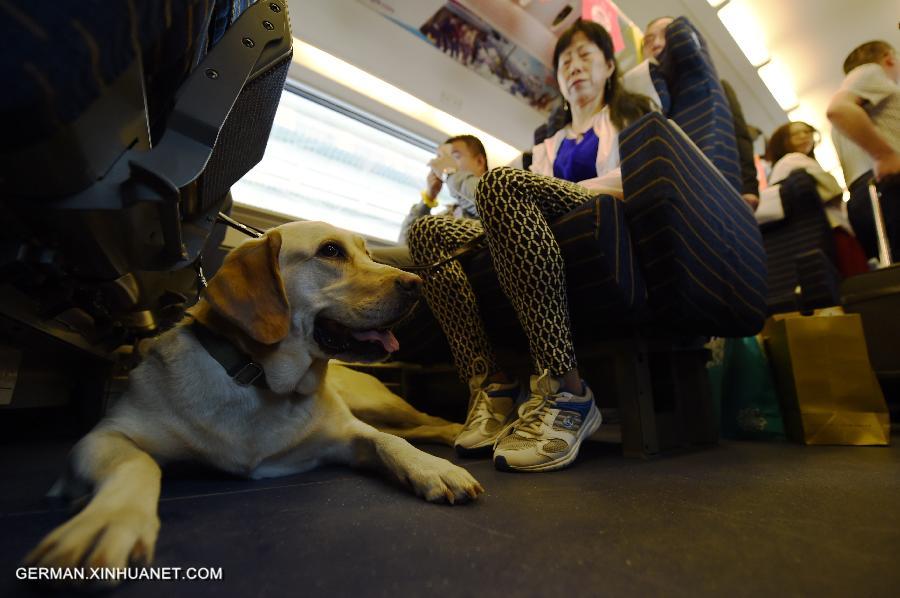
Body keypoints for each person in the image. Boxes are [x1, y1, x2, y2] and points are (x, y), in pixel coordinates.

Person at [406, 19, 654, 472]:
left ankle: (569, 391)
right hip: (539, 220)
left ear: (610, 67)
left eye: (585, 56)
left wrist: (544, 190)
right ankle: (493, 385)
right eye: (564, 61)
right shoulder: (546, 146)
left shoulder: (628, 116)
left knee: (501, 184)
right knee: (428, 233)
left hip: (598, 212)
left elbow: (639, 177)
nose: (574, 67)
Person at [643, 16, 760, 211]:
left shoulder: (718, 88)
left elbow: (740, 135)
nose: (655, 43)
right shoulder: (648, 94)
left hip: (719, 177)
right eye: (648, 40)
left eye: (665, 34)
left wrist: (750, 187)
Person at [764, 121, 869, 276]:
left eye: (807, 132)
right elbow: (833, 190)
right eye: (796, 134)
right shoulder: (793, 160)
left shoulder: (781, 167)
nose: (804, 136)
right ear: (783, 140)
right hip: (828, 228)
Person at [827, 40, 900, 260]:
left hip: (864, 194)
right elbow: (837, 109)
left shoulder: (864, 107)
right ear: (889, 57)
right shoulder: (871, 71)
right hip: (887, 187)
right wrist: (884, 154)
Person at [372, 135, 488, 269]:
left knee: (365, 259)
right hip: (438, 267)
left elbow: (485, 201)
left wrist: (449, 172)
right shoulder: (449, 213)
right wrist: (428, 198)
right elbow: (406, 244)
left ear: (479, 161)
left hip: (468, 263)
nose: (444, 164)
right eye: (442, 159)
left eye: (454, 157)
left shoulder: (497, 192)